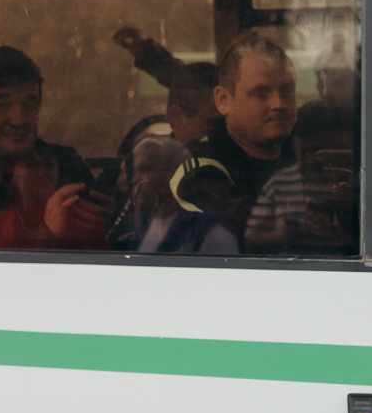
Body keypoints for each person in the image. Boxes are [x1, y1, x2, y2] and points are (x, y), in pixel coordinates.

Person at [0, 46, 105, 248]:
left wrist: (105, 220)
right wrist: (46, 231)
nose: (19, 120)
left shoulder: (65, 164)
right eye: (3, 104)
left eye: (30, 105)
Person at [180, 31, 299, 241]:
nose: (279, 104)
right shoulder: (197, 169)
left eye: (287, 90)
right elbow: (235, 242)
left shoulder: (304, 154)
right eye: (261, 93)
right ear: (223, 100)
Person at [242, 102, 358, 255]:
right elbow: (249, 240)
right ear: (294, 146)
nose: (310, 160)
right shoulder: (279, 182)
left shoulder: (351, 183)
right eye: (303, 152)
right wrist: (279, 236)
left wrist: (337, 234)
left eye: (318, 152)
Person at [121, 135, 238, 254]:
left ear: (172, 173)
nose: (135, 179)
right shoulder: (144, 222)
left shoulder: (210, 231)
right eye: (135, 171)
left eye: (145, 169)